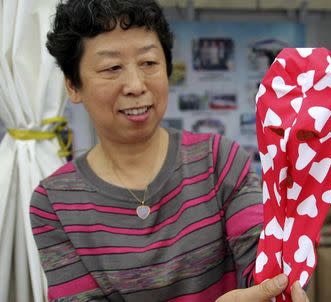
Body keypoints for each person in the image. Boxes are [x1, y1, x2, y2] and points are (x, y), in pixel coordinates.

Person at [29, 0, 309, 301]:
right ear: (73, 85)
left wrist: (279, 287)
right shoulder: (55, 202)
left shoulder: (220, 162)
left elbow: (264, 264)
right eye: (112, 68)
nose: (136, 85)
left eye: (149, 63)